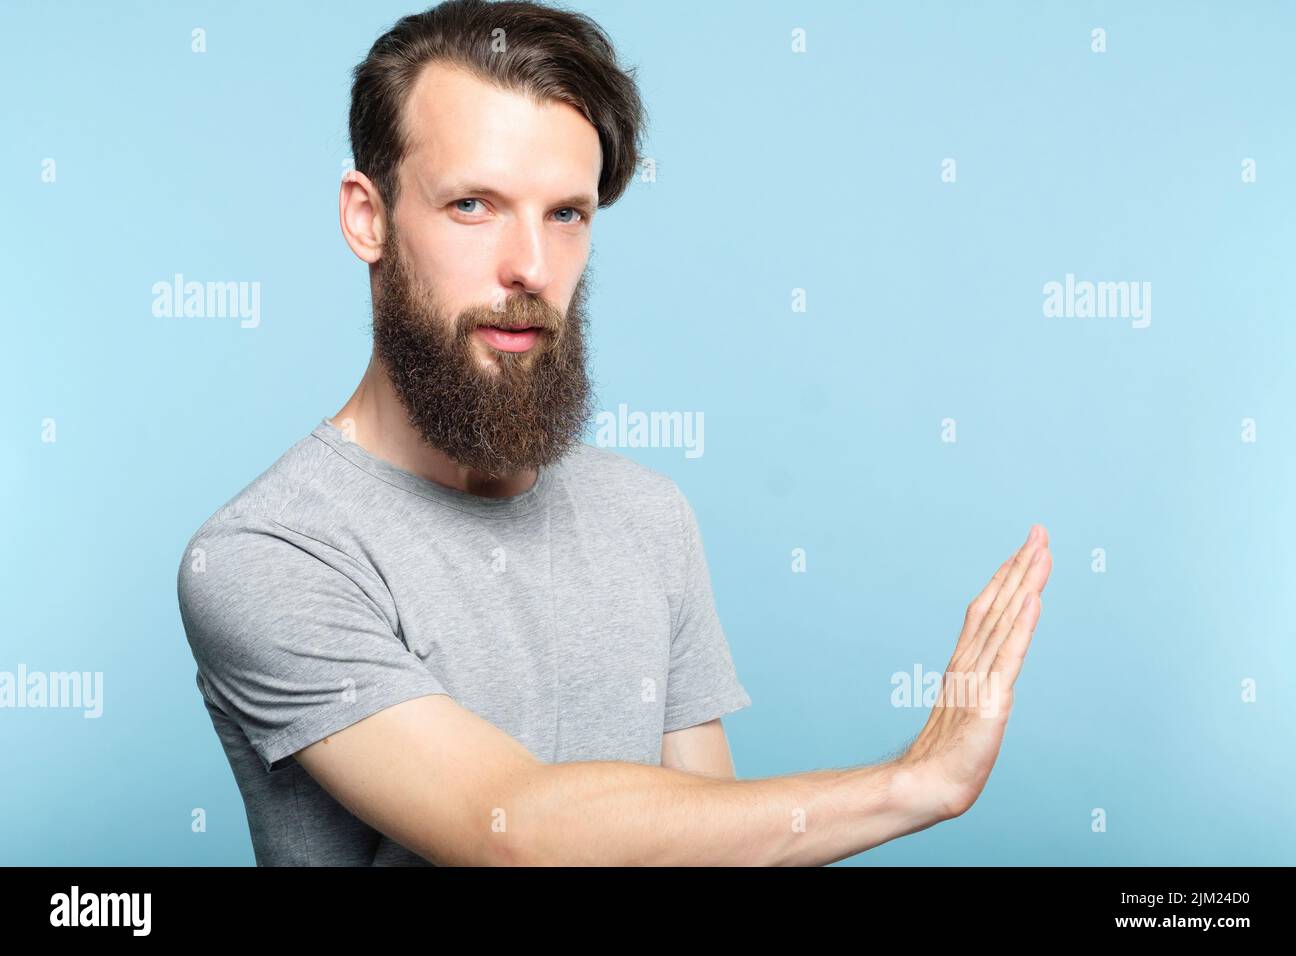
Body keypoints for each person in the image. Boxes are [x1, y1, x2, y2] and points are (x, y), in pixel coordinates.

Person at [176, 0, 1053, 866]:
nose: (530, 267)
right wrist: (912, 783)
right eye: (474, 205)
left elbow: (705, 841)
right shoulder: (267, 554)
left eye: (567, 213)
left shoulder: (646, 515)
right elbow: (511, 830)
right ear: (367, 217)